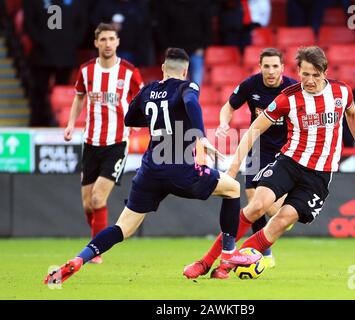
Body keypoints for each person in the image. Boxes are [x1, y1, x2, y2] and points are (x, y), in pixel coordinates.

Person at [44, 48, 260, 285]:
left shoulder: (148, 90)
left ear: (163, 69)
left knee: (123, 228)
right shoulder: (187, 87)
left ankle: (79, 259)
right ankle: (228, 253)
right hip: (180, 168)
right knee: (233, 189)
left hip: (149, 170)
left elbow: (129, 119)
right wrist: (201, 136)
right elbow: (190, 102)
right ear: (185, 71)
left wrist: (156, 116)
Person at [189, 46, 355, 279]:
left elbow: (352, 114)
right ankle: (206, 261)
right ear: (298, 71)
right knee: (257, 206)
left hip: (319, 174)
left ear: (325, 73)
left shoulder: (342, 93)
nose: (309, 80)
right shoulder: (287, 98)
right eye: (305, 74)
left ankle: (226, 266)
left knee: (281, 221)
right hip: (289, 163)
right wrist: (232, 169)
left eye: (315, 75)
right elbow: (253, 130)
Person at [183, 48, 296, 278]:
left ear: (283, 68)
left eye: (275, 66)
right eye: (267, 66)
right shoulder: (251, 85)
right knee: (253, 202)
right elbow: (228, 106)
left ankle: (282, 221)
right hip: (256, 148)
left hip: (284, 150)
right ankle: (264, 254)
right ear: (260, 66)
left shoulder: (293, 89)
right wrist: (224, 122)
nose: (271, 71)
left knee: (272, 208)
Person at [63, 23, 144, 264]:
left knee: (99, 198)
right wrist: (70, 124)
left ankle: (95, 250)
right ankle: (95, 241)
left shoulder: (129, 72)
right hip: (90, 143)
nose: (108, 44)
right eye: (103, 39)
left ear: (118, 42)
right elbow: (79, 98)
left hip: (117, 143)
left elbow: (143, 98)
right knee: (88, 203)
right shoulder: (86, 71)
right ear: (96, 43)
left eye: (112, 39)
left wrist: (140, 120)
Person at [23, 0, 87, 126]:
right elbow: (29, 23)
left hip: (66, 56)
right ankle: (38, 121)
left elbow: (82, 23)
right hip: (42, 55)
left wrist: (72, 43)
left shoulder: (76, 2)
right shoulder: (35, 2)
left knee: (63, 90)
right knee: (39, 90)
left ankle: (61, 121)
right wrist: (40, 42)